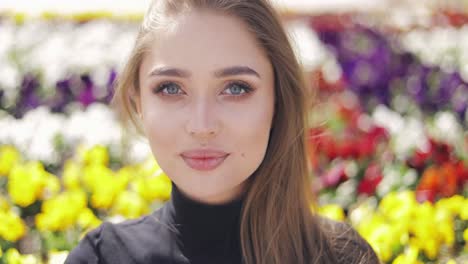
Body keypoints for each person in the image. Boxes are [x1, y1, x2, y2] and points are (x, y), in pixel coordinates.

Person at [65, 0, 380, 263]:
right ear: (138, 103)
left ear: (278, 101)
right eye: (171, 88)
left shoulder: (339, 257)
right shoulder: (101, 259)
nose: (202, 126)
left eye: (236, 88)